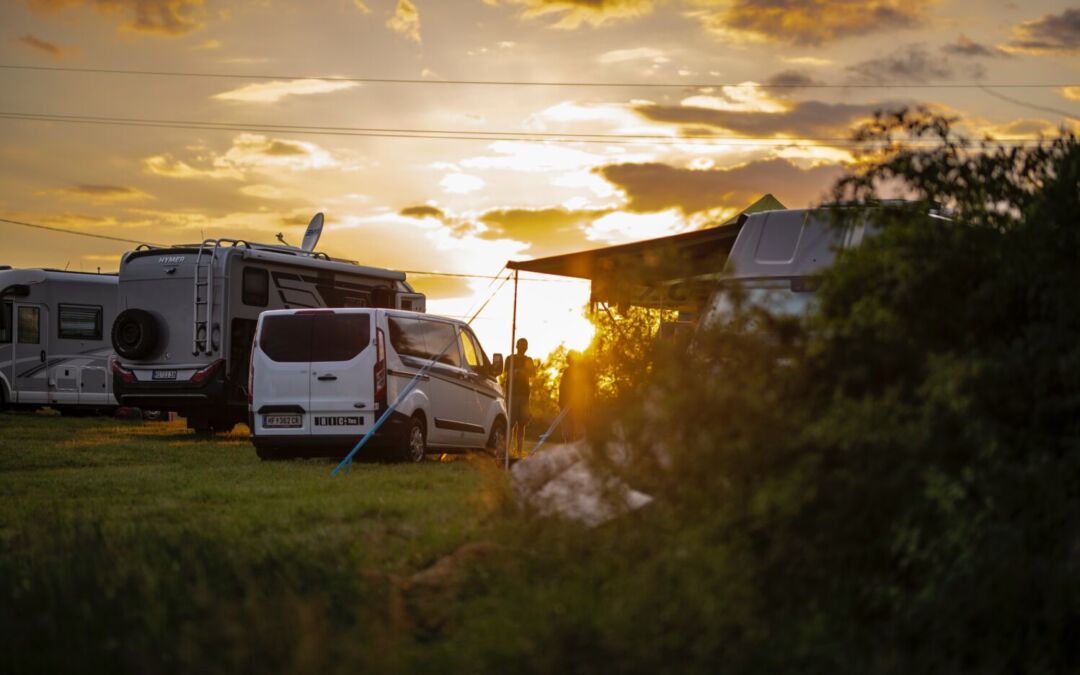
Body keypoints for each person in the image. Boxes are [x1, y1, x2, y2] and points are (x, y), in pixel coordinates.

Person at [504, 337, 535, 456]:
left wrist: (523, 372)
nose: (523, 347)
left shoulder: (529, 360)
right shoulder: (510, 358)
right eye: (520, 345)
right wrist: (516, 373)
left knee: (522, 424)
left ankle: (519, 450)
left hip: (524, 396)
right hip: (512, 395)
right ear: (516, 346)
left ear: (527, 347)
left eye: (525, 345)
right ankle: (506, 450)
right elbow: (507, 373)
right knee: (510, 423)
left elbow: (533, 374)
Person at [558, 351, 593, 442]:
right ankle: (569, 450)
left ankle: (576, 451)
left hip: (578, 406)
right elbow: (562, 387)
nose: (567, 359)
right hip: (566, 404)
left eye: (568, 357)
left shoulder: (581, 372)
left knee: (578, 430)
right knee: (567, 431)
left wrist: (585, 402)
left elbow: (585, 389)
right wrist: (561, 402)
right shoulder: (566, 371)